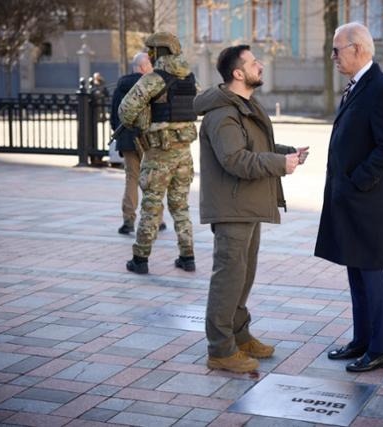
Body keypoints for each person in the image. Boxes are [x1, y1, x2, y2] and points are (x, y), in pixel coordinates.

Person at [194, 45, 308, 373]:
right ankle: (219, 349)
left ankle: (240, 335)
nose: (260, 64)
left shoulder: (243, 104)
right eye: (253, 62)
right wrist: (278, 164)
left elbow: (254, 147)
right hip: (232, 207)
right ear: (238, 73)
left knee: (243, 276)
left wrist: (287, 153)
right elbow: (234, 160)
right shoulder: (223, 113)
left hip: (247, 204)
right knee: (228, 278)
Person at [315, 23, 383, 373]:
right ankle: (361, 340)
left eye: (337, 50)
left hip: (368, 202)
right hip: (351, 201)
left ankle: (380, 348)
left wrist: (356, 182)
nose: (333, 56)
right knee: (356, 273)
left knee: (372, 276)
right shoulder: (357, 86)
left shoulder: (381, 89)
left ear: (358, 49)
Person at [119, 32, 198, 275]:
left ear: (157, 53)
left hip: (158, 155)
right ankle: (188, 257)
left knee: (152, 206)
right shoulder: (190, 79)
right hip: (184, 153)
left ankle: (140, 259)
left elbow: (126, 110)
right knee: (181, 206)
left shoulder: (154, 79)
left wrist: (142, 123)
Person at [110, 52, 166, 235]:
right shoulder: (150, 86)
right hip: (148, 139)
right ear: (142, 67)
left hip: (126, 138)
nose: (152, 69)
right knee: (152, 180)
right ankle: (158, 219)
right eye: (150, 66)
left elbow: (113, 116)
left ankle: (128, 220)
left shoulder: (120, 86)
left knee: (131, 179)